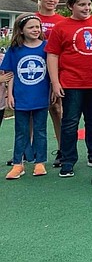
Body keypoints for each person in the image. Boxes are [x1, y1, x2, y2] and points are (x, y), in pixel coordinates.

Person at [46, 0, 92, 178]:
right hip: (71, 82)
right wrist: (55, 82)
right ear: (70, 6)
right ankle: (68, 160)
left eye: (89, 4)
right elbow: (52, 55)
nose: (87, 8)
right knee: (70, 122)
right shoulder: (61, 27)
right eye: (82, 4)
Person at [2, 14, 50, 179]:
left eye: (38, 27)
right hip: (21, 97)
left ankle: (40, 162)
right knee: (21, 131)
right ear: (21, 30)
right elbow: (12, 74)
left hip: (41, 96)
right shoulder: (15, 49)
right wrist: (10, 95)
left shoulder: (46, 46)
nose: (36, 30)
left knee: (40, 130)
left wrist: (53, 91)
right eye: (31, 27)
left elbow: (51, 71)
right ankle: (18, 164)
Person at [34, 0, 65, 168]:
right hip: (32, 70)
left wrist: (57, 79)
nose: (51, 0)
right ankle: (27, 150)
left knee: (57, 109)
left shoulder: (62, 21)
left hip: (54, 70)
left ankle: (63, 149)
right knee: (30, 112)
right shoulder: (30, 18)